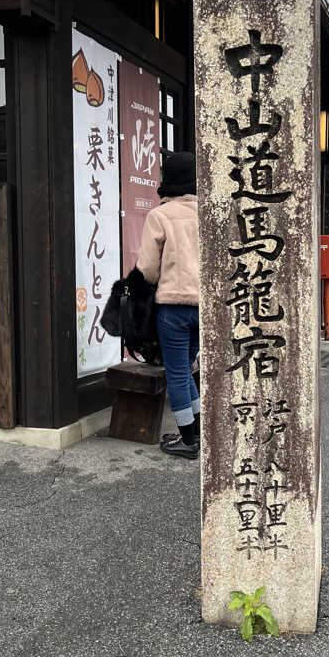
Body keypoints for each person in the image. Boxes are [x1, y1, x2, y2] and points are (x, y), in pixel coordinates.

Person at [137, 151, 201, 458]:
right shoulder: (210, 215)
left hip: (173, 308)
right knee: (187, 369)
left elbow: (148, 269)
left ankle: (188, 441)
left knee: (176, 373)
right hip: (205, 308)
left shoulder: (160, 216)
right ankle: (198, 431)